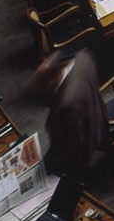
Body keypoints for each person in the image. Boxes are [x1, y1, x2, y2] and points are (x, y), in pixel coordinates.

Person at [32, 47, 107, 182]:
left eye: (40, 89)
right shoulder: (83, 58)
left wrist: (49, 165)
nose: (39, 93)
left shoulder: (67, 105)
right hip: (97, 113)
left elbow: (72, 143)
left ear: (51, 81)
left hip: (82, 147)